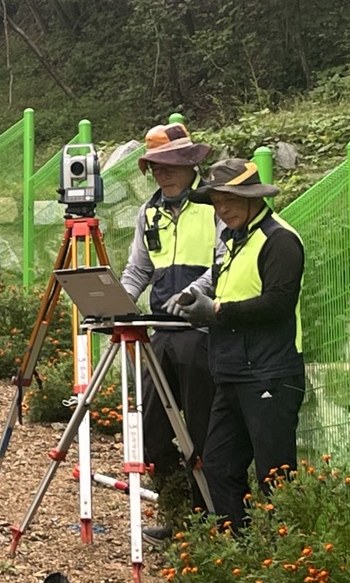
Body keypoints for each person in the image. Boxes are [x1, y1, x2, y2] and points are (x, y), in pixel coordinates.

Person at [176, 158, 305, 531]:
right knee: (218, 465)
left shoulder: (279, 240)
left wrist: (216, 311)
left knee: (275, 476)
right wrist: (201, 308)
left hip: (270, 374)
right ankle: (241, 550)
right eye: (217, 201)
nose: (223, 208)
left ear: (253, 197)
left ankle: (286, 555)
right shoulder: (233, 240)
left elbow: (279, 303)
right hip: (232, 373)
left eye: (230, 199)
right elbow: (228, 295)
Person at [120, 123, 219, 535]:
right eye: (156, 167)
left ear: (190, 163)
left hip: (202, 332)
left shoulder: (214, 204)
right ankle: (176, 514)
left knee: (202, 430)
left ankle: (206, 519)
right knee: (152, 432)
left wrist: (195, 293)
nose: (163, 173)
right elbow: (139, 268)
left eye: (170, 165)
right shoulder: (149, 211)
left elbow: (225, 260)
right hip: (159, 332)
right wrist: (119, 302)